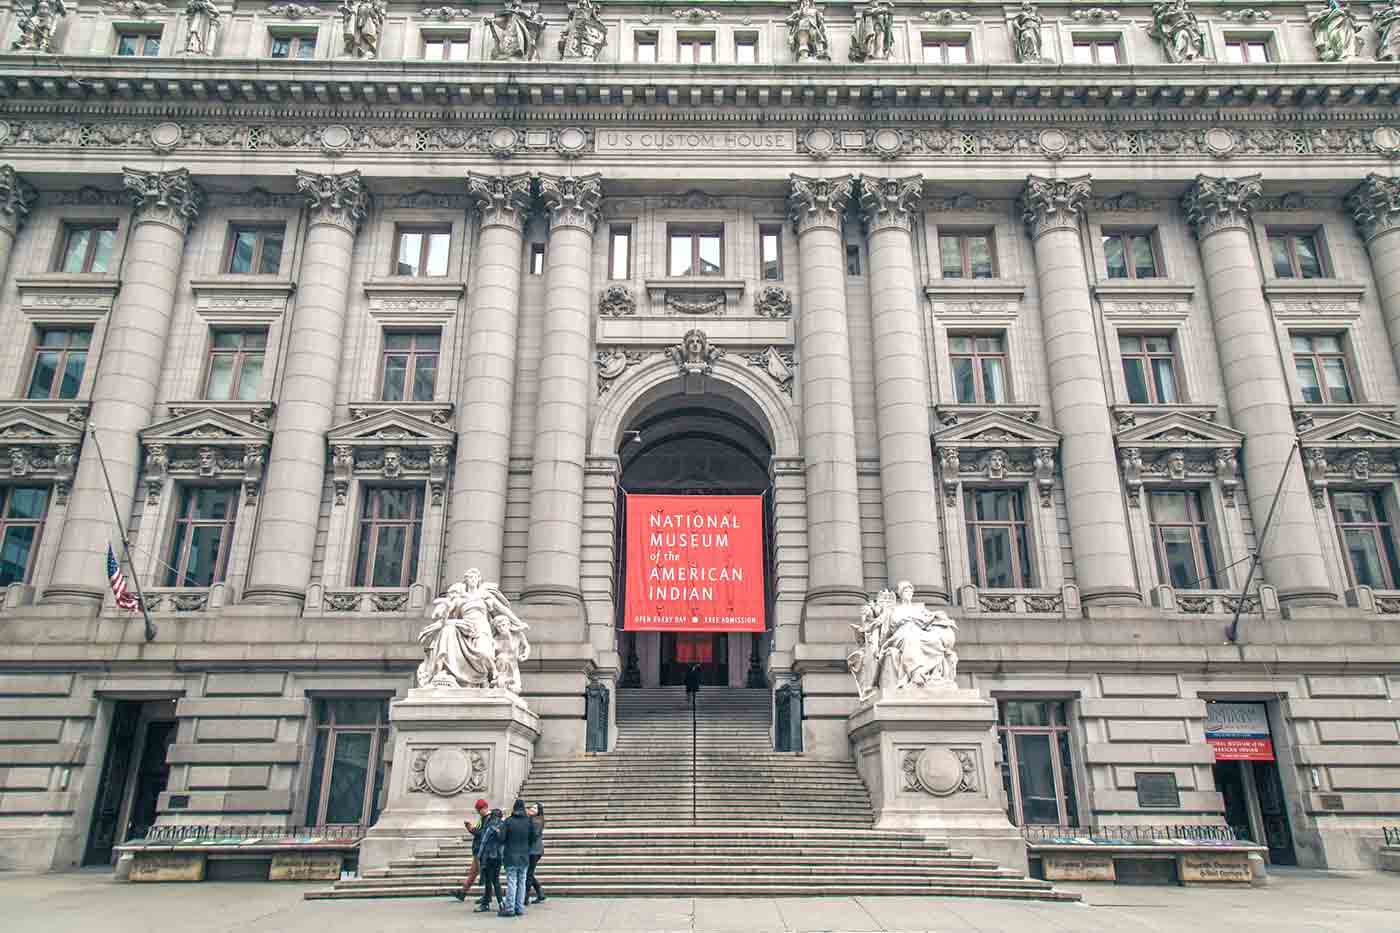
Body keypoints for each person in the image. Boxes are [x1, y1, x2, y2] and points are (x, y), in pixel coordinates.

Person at [499, 798, 539, 916]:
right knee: (522, 881)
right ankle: (519, 907)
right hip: (524, 855)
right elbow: (534, 837)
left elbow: (502, 838)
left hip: (510, 855)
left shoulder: (508, 821)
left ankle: (510, 908)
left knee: (512, 881)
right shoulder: (529, 822)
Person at [452, 798, 490, 903]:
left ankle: (487, 896)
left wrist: (471, 829)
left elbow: (482, 834)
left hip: (481, 851)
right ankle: (463, 893)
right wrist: (471, 829)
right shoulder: (483, 818)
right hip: (478, 850)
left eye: (479, 810)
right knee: (473, 872)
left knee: (485, 874)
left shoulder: (488, 819)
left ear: (485, 808)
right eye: (477, 810)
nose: (478, 812)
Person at [475, 808, 505, 913]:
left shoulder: (490, 825)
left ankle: (486, 904)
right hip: (499, 856)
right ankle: (501, 903)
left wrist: (479, 855)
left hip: (488, 856)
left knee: (489, 881)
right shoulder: (503, 825)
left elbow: (484, 841)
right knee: (496, 880)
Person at [525, 802, 546, 904]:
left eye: (534, 808)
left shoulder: (537, 820)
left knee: (528, 873)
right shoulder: (533, 819)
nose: (531, 809)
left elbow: (534, 835)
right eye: (531, 807)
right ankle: (539, 892)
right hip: (532, 850)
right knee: (529, 872)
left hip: (534, 850)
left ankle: (526, 896)